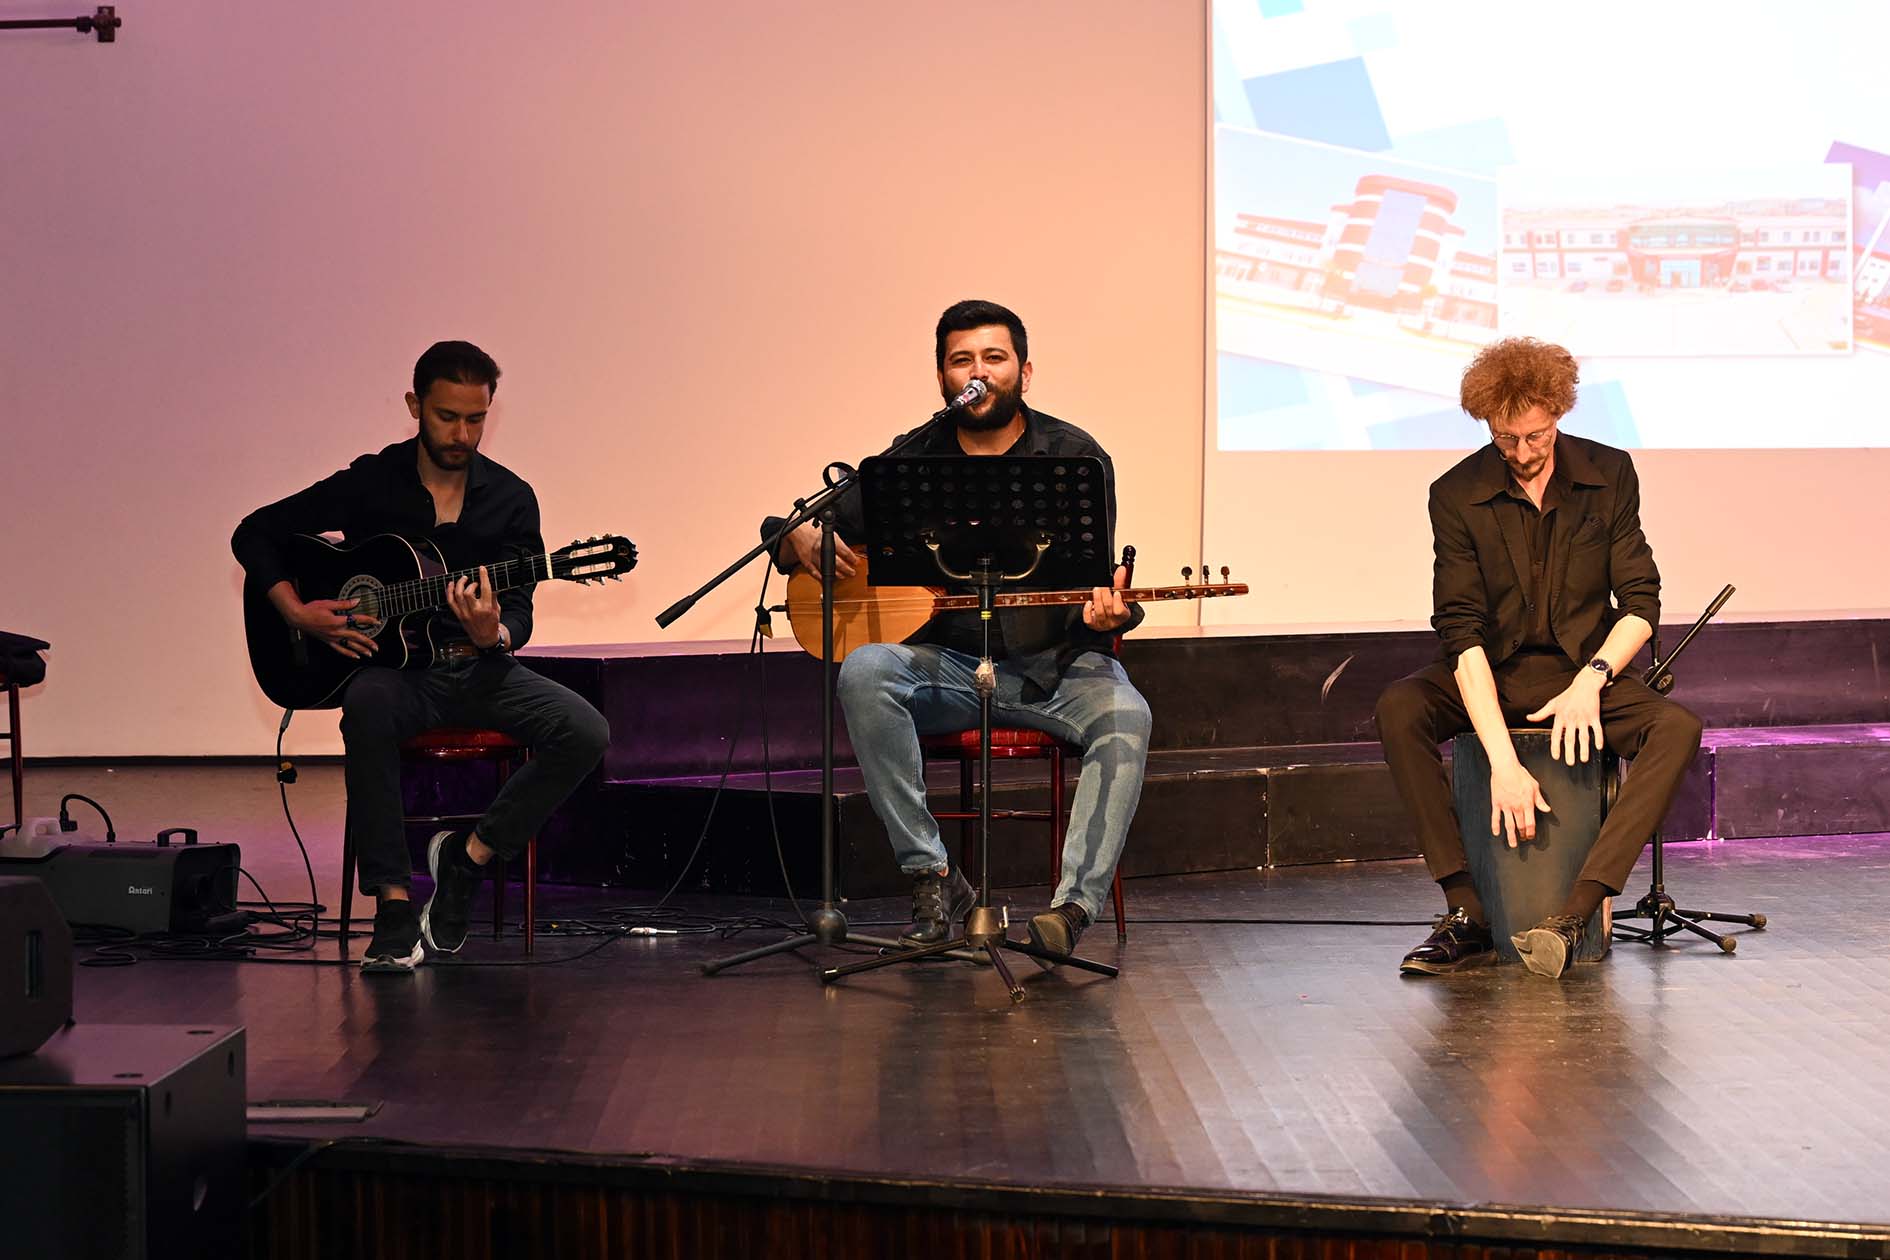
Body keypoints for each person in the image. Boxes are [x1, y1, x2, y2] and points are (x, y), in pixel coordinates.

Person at [764, 299, 1150, 963]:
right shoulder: (913, 457)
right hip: (945, 664)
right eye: (961, 360)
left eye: (994, 358)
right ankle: (934, 878)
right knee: (866, 670)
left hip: (1055, 665)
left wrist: (1107, 614)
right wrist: (792, 536)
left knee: (1127, 716)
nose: (979, 372)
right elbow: (803, 524)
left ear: (1024, 371)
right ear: (942, 376)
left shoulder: (1074, 456)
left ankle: (1070, 909)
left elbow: (1093, 580)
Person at [232, 341, 609, 973]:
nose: (462, 434)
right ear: (415, 406)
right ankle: (393, 906)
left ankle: (467, 859)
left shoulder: (512, 498)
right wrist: (296, 612)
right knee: (367, 703)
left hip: (481, 667)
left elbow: (519, 611)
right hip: (398, 676)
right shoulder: (371, 482)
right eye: (447, 417)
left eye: (475, 419)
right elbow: (254, 531)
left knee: (586, 730)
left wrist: (496, 634)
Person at [1373, 337, 1702, 979]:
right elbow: (1461, 632)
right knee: (1400, 706)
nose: (1522, 453)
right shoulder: (1456, 493)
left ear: (1558, 412)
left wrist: (1592, 679)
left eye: (1536, 436)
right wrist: (1504, 764)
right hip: (1492, 671)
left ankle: (1575, 914)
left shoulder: (1609, 473)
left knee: (1676, 727)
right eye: (1506, 439)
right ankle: (1466, 910)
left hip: (1581, 671)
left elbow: (1641, 602)